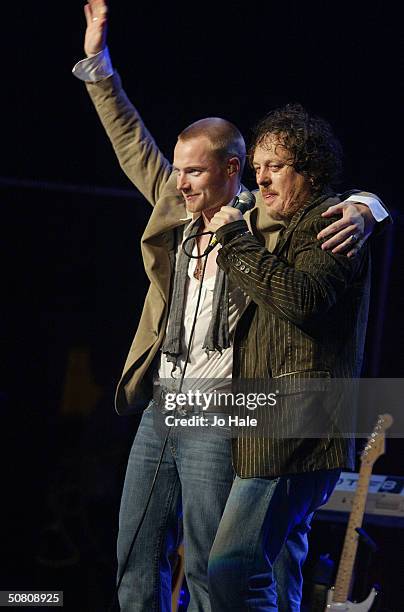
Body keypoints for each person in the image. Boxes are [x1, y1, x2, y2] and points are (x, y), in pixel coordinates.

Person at [73, 1, 388, 609]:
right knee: (134, 552)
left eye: (196, 171)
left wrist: (370, 207)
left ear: (233, 168)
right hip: (165, 399)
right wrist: (98, 64)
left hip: (225, 409)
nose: (181, 181)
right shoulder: (175, 207)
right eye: (180, 171)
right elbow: (129, 141)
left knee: (214, 562)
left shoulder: (259, 214)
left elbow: (325, 196)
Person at [205, 104, 376, 610]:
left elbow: (302, 300)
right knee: (275, 572)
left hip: (296, 424)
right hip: (273, 424)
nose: (261, 179)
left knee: (232, 567)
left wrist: (234, 239)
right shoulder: (292, 227)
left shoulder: (333, 221)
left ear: (311, 169)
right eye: (256, 168)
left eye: (274, 166)